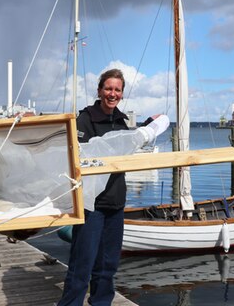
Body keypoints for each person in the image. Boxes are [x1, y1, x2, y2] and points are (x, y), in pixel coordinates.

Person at [58, 68, 167, 305]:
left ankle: (101, 303)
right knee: (81, 266)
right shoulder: (84, 119)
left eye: (117, 90)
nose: (112, 94)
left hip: (116, 204)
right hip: (91, 206)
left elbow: (128, 142)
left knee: (107, 266)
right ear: (99, 90)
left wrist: (150, 124)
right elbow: (76, 154)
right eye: (108, 88)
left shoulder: (120, 120)